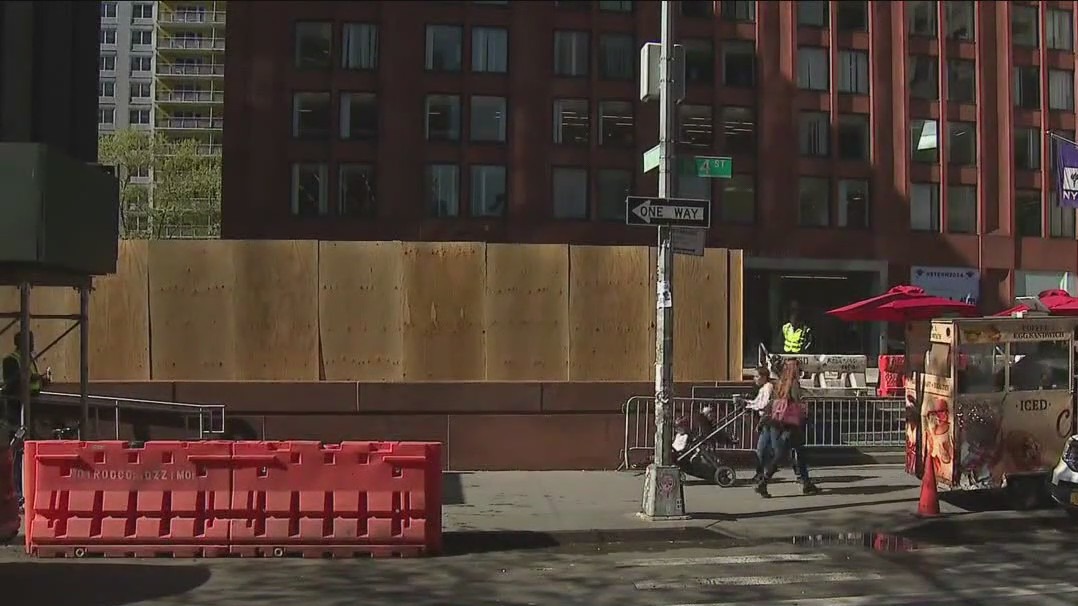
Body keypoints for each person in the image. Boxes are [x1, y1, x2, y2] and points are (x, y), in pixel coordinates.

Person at [755, 359, 820, 498]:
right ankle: (764, 482)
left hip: (776, 421)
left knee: (799, 452)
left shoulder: (779, 383)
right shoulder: (793, 384)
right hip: (790, 424)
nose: (800, 370)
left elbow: (773, 403)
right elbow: (797, 402)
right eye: (798, 368)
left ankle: (806, 482)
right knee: (782, 455)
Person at [2, 331, 50, 507]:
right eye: (28, 341)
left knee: (27, 452)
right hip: (15, 411)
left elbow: (32, 383)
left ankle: (25, 491)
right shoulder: (12, 360)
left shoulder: (29, 359)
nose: (31, 344)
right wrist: (35, 378)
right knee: (15, 453)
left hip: (31, 409)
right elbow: (13, 384)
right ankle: (16, 492)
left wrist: (41, 380)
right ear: (20, 343)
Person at [739, 365, 776, 482]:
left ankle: (763, 473)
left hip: (770, 422)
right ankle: (761, 473)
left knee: (766, 449)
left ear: (764, 377)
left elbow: (763, 404)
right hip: (765, 422)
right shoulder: (763, 388)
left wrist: (749, 405)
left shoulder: (768, 387)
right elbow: (757, 402)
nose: (755, 379)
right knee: (763, 449)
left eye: (757, 376)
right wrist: (746, 402)